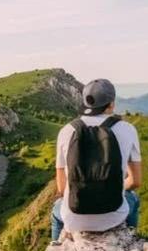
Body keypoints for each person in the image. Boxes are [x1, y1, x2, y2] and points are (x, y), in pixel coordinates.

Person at [51, 78, 142, 241]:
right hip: (113, 216)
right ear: (111, 104)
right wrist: (113, 188)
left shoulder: (66, 131)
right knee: (133, 198)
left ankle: (57, 246)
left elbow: (62, 187)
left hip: (74, 217)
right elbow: (135, 181)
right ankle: (130, 238)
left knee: (56, 211)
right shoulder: (128, 129)